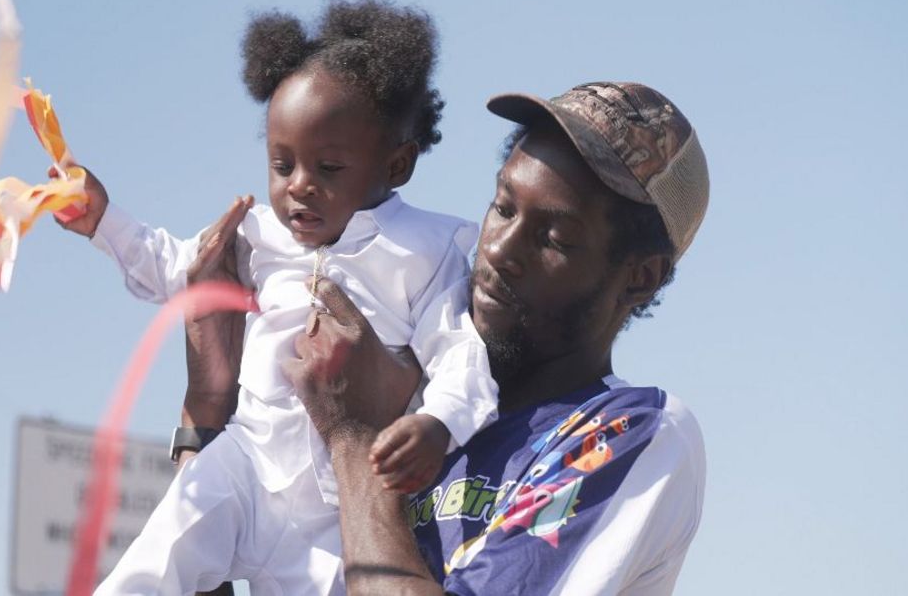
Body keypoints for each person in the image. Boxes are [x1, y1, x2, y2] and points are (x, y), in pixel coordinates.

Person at [192, 81, 710, 594]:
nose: (500, 250)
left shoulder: (629, 434)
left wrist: (354, 441)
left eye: (554, 239)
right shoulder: (396, 385)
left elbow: (354, 441)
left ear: (639, 277)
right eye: (504, 207)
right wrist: (208, 407)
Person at [56, 0, 500, 595]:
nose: (299, 188)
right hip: (245, 465)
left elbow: (457, 350)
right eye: (282, 164)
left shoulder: (425, 249)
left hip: (336, 509)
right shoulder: (257, 233)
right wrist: (103, 220)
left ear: (396, 165)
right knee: (156, 560)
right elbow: (176, 268)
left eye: (328, 167)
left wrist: (438, 423)